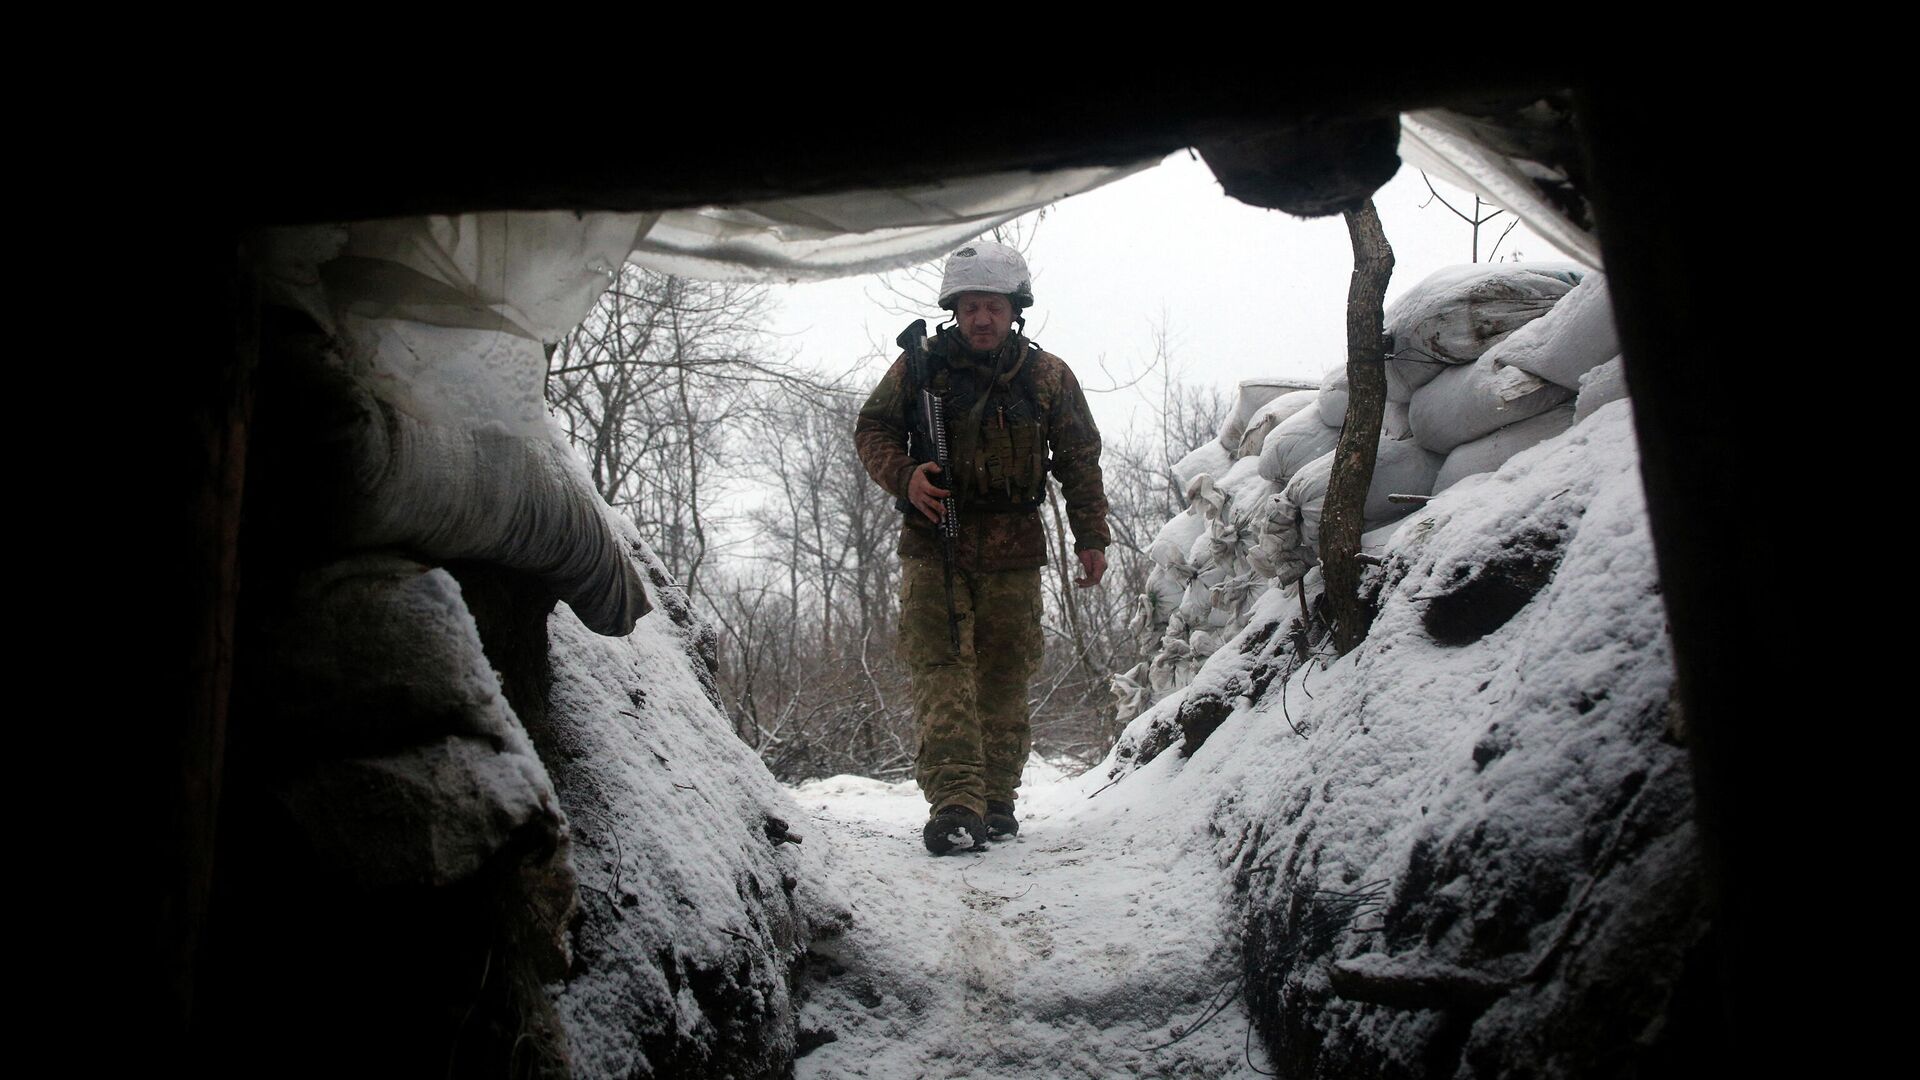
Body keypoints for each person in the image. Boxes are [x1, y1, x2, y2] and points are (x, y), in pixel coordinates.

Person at [854, 241, 1110, 854]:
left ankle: (996, 799)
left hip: (1014, 548)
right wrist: (905, 475)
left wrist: (1091, 536)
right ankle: (955, 802)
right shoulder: (920, 367)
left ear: (1014, 309)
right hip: (932, 542)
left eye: (993, 306)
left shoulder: (1047, 376)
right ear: (955, 310)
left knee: (1004, 675)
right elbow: (874, 428)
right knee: (941, 671)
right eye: (970, 307)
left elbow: (1079, 458)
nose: (982, 319)